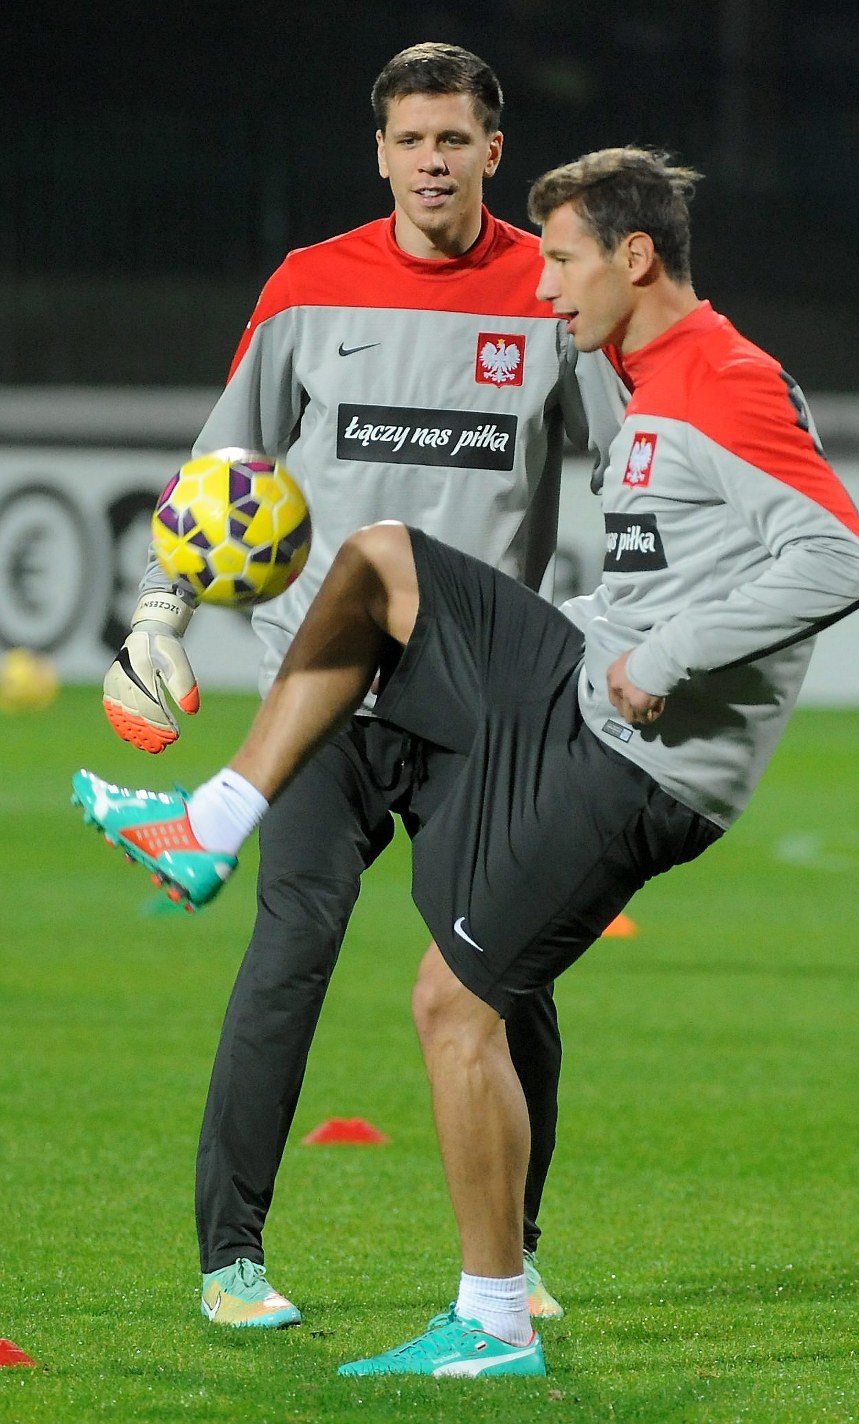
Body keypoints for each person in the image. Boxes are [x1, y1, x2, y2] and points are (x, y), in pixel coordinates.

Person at [75, 145, 859, 1377]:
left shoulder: (724, 375)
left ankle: (496, 1313)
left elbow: (838, 557)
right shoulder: (647, 369)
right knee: (381, 558)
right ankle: (215, 818)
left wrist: (667, 650)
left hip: (644, 756)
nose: (545, 289)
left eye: (561, 260)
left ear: (634, 256)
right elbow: (673, 549)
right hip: (576, 689)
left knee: (456, 1003)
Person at [99, 44, 625, 1329]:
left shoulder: (550, 294)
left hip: (482, 701)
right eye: (410, 140)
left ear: (494, 153)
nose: (432, 161)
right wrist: (162, 606)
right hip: (322, 687)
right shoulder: (307, 288)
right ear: (379, 153)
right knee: (292, 948)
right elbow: (224, 463)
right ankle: (231, 1260)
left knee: (509, 981)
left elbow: (633, 458)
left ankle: (517, 1246)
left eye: (455, 139)